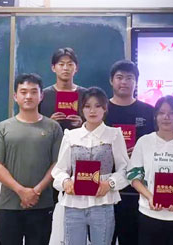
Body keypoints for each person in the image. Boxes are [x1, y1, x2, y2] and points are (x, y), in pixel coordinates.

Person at [0, 73, 63, 245]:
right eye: (24, 92)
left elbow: (58, 164)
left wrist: (36, 191)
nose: (28, 96)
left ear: (41, 96)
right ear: (15, 96)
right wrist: (21, 191)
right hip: (9, 205)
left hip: (42, 204)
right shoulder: (3, 127)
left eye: (34, 92)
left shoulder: (53, 127)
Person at [52, 87, 129, 245]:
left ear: (105, 108)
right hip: (74, 204)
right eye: (87, 106)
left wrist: (110, 183)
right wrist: (65, 182)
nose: (92, 111)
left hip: (102, 203)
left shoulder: (114, 134)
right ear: (81, 109)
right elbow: (60, 169)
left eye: (97, 106)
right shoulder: (71, 136)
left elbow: (125, 169)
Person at [127, 95, 173, 245]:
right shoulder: (144, 142)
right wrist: (150, 197)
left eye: (171, 113)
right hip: (149, 213)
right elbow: (133, 176)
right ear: (155, 117)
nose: (166, 117)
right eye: (161, 113)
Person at [105, 60, 155, 244]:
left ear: (136, 81)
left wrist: (141, 149)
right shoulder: (101, 110)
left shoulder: (149, 112)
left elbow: (157, 144)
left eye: (129, 78)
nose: (124, 82)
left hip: (138, 189)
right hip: (105, 188)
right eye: (119, 77)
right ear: (111, 80)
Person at [40, 47, 85, 130]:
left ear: (76, 68)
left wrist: (83, 124)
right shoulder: (43, 95)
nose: (65, 68)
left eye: (70, 64)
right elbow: (35, 124)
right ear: (53, 68)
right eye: (61, 64)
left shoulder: (86, 95)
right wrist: (50, 123)